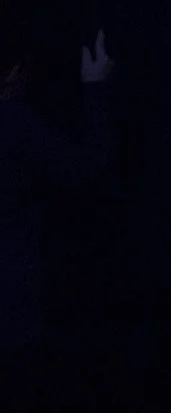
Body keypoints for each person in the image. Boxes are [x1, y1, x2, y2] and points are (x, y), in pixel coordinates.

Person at [0, 28, 112, 353]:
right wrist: (96, 87)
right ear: (16, 71)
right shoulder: (15, 123)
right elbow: (90, 172)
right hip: (12, 294)